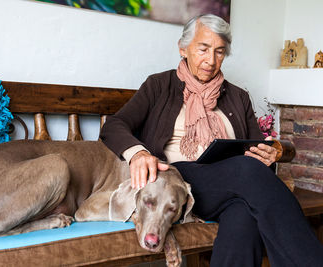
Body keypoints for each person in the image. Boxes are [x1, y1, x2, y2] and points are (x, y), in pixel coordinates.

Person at [100, 14, 323, 267]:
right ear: (183, 48)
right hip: (178, 182)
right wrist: (138, 154)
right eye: (203, 49)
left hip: (232, 185)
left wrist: (268, 154)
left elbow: (257, 146)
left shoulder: (237, 97)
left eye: (219, 52)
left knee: (243, 215)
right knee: (247, 171)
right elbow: (114, 126)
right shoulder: (159, 86)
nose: (211, 60)